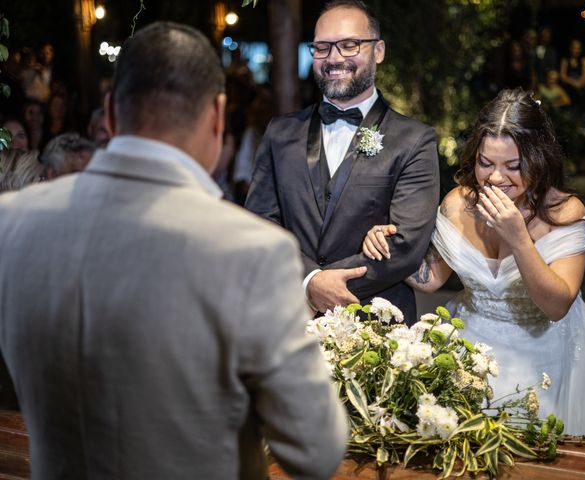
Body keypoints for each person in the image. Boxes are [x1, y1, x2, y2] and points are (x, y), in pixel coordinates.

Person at [0, 21, 348, 480]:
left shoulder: (12, 220)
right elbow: (315, 448)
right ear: (217, 116)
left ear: (109, 111)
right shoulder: (252, 252)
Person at [362, 88, 585, 436]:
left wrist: (517, 238)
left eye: (513, 166)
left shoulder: (565, 212)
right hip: (471, 347)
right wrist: (388, 245)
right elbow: (431, 277)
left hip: (546, 354)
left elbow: (556, 305)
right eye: (485, 163)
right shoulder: (459, 203)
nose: (495, 178)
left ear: (538, 159)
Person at [245, 0, 439, 322]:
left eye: (349, 45)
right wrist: (309, 281)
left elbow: (406, 244)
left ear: (378, 51)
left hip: (378, 331)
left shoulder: (414, 140)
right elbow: (259, 224)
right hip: (289, 321)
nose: (334, 58)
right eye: (322, 48)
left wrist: (325, 285)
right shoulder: (280, 133)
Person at [559, 39, 585, 115]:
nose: (576, 50)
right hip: (568, 87)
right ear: (570, 49)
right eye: (574, 48)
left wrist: (579, 83)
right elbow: (563, 76)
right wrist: (573, 83)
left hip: (580, 88)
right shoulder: (565, 60)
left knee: (581, 93)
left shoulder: (584, 60)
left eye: (578, 48)